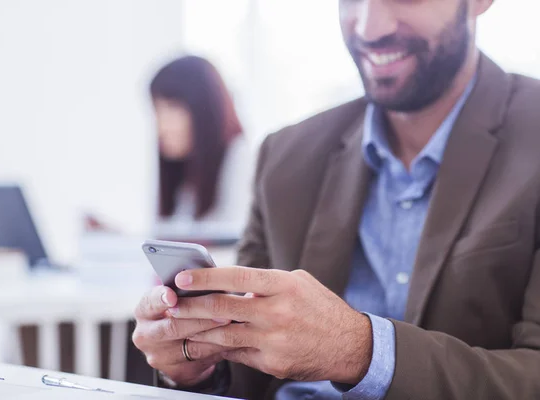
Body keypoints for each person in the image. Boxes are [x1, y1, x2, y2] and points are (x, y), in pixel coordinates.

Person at [132, 0, 540, 399]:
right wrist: (199, 365)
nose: (368, 27)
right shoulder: (286, 156)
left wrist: (359, 350)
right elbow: (247, 375)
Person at [149, 55, 251, 243]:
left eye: (172, 108)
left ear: (204, 107)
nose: (161, 126)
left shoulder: (243, 160)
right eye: (157, 110)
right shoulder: (184, 177)